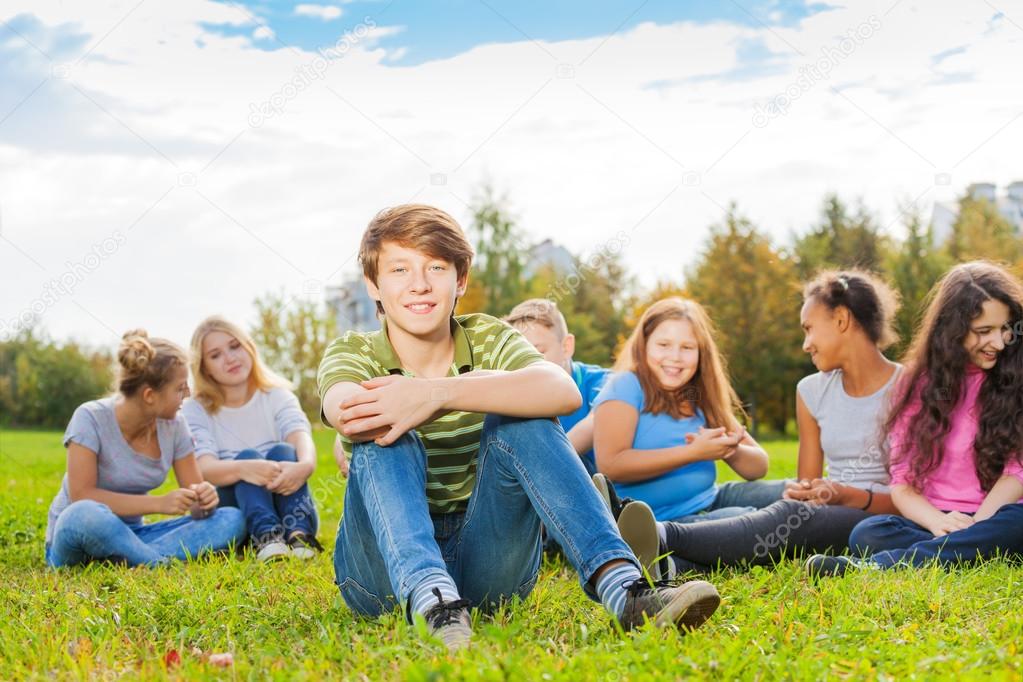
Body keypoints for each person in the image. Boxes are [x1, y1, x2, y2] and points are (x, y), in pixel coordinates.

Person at [318, 204, 721, 652]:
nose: (419, 284)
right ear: (373, 284)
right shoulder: (354, 350)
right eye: (399, 269)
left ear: (461, 279)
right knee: (382, 429)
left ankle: (624, 589)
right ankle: (433, 602)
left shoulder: (489, 337)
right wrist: (395, 405)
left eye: (436, 266)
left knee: (523, 418)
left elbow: (561, 390)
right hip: (380, 578)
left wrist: (434, 393)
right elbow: (345, 409)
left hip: (489, 565)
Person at [609, 272, 904, 577]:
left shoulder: (909, 388)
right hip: (831, 509)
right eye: (665, 345)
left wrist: (846, 496)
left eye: (809, 329)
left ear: (841, 320)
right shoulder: (811, 390)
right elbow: (807, 484)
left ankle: (661, 536)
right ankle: (671, 567)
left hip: (880, 516)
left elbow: (921, 497)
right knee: (790, 510)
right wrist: (811, 493)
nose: (805, 344)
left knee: (787, 515)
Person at [807, 261, 1023, 577]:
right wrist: (938, 521)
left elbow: (1017, 471)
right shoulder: (916, 384)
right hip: (936, 521)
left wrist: (976, 526)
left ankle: (876, 568)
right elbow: (903, 479)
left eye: (1005, 328)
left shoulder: (1017, 378)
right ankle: (961, 552)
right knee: (868, 533)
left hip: (997, 517)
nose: (999, 342)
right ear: (953, 330)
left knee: (1016, 525)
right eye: (983, 331)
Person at [45, 330, 245, 568]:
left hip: (136, 536)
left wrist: (205, 500)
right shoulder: (89, 417)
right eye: (180, 388)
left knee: (231, 519)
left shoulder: (175, 425)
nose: (188, 394)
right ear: (150, 395)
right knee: (84, 514)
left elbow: (196, 506)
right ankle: (156, 563)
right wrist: (159, 503)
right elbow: (82, 495)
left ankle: (132, 558)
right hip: (79, 536)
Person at [590, 297, 780, 537]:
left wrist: (730, 449)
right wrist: (693, 453)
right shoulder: (626, 386)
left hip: (711, 498)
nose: (675, 357)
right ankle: (665, 544)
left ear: (701, 353)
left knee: (791, 494)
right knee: (759, 522)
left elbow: (758, 467)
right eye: (664, 345)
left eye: (687, 348)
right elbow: (612, 465)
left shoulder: (699, 393)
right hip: (660, 520)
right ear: (644, 344)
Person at [182, 316, 321, 562]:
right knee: (247, 457)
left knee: (283, 450)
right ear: (204, 368)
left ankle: (299, 536)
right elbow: (205, 467)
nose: (230, 358)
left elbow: (300, 436)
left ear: (249, 347)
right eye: (215, 355)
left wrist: (305, 466)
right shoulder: (195, 409)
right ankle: (266, 537)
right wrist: (245, 468)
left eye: (235, 346)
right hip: (237, 510)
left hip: (288, 503)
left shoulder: (278, 395)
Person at [505, 298, 610, 476]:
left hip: (588, 478)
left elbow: (599, 419)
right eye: (518, 355)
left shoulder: (601, 381)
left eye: (538, 352)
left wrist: (546, 462)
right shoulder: (514, 392)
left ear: (566, 347)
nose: (526, 364)